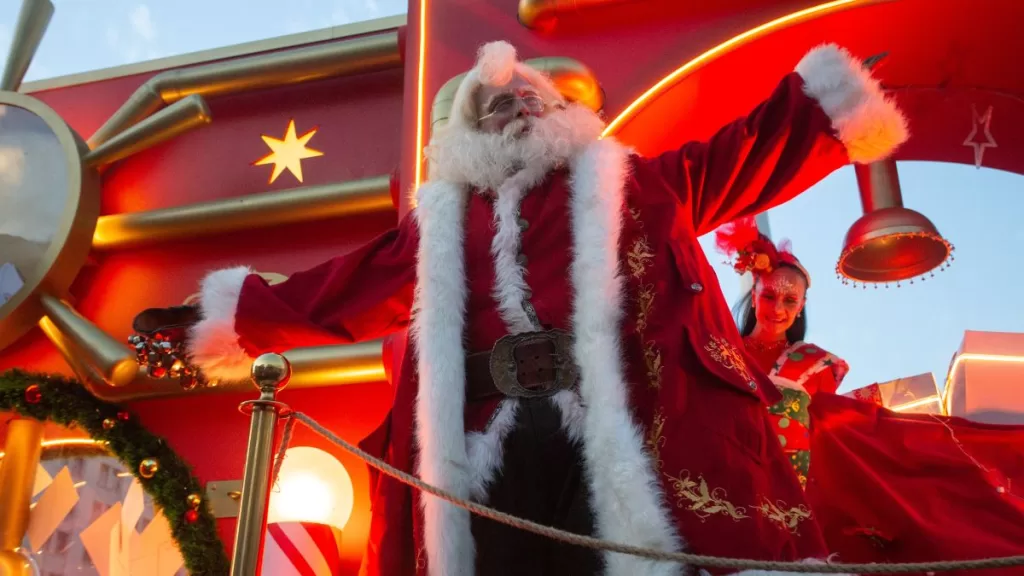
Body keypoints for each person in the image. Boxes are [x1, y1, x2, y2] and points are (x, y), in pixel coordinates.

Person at [131, 40, 908, 576]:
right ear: (467, 130)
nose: (511, 114)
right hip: (487, 442)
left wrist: (821, 107)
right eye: (492, 108)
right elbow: (338, 289)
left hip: (611, 427)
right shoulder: (442, 222)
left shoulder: (632, 183)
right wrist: (214, 320)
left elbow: (741, 156)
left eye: (525, 101)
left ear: (558, 112)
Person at [715, 217, 850, 489]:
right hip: (721, 479)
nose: (778, 309)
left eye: (790, 301)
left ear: (801, 306)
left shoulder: (816, 365)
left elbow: (827, 440)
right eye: (768, 297)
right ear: (754, 296)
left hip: (790, 492)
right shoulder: (722, 351)